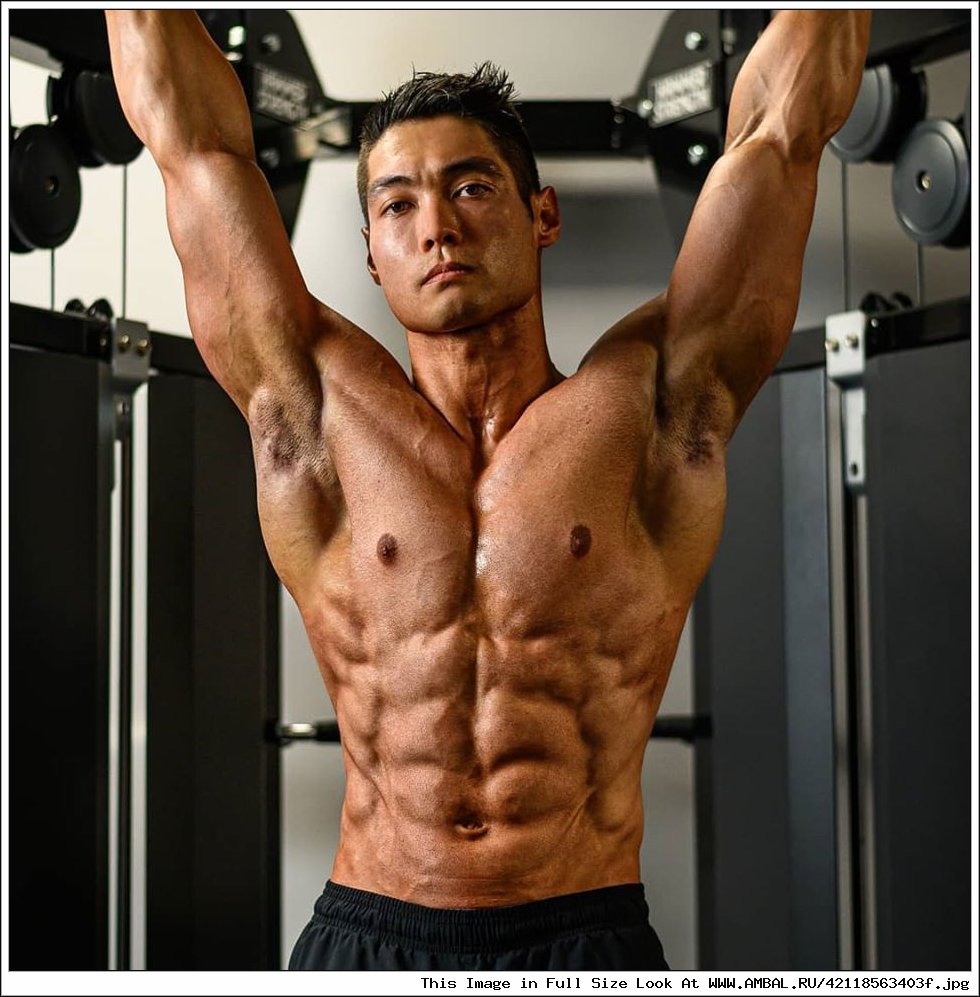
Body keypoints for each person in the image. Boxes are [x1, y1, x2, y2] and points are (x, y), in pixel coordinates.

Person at [105, 10, 870, 972]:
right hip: (369, 933)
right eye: (397, 205)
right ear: (372, 251)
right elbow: (196, 150)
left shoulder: (652, 405)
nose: (437, 226)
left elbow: (779, 139)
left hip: (582, 935)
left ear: (542, 215)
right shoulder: (315, 411)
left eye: (470, 186)